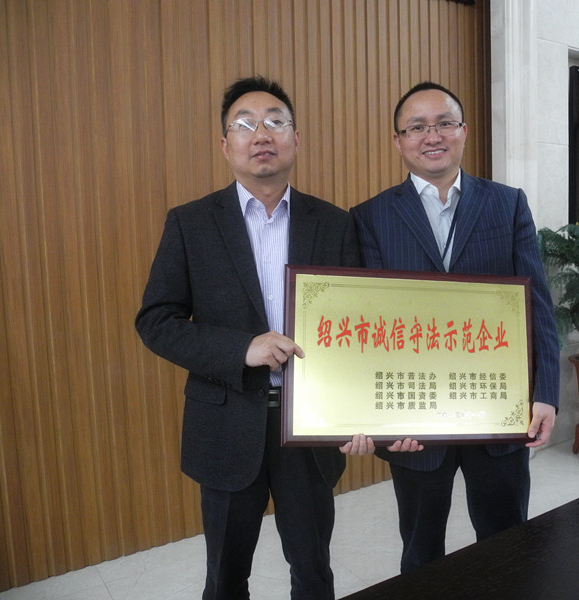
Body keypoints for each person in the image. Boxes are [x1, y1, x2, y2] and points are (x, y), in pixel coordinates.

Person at [135, 76, 365, 600]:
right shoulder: (191, 223)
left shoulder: (334, 224)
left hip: (308, 430)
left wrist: (359, 413)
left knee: (313, 572)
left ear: (296, 139)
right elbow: (157, 321)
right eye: (244, 124)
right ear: (225, 145)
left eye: (275, 122)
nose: (261, 134)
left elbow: (355, 329)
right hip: (225, 424)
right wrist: (242, 349)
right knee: (225, 577)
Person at [348, 81, 560, 574]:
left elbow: (537, 305)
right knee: (421, 550)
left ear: (463, 131)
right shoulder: (370, 217)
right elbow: (368, 326)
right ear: (398, 141)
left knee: (507, 540)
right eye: (417, 127)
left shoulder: (507, 203)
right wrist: (378, 418)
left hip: (498, 408)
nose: (432, 136)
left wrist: (546, 392)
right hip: (414, 419)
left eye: (444, 123)